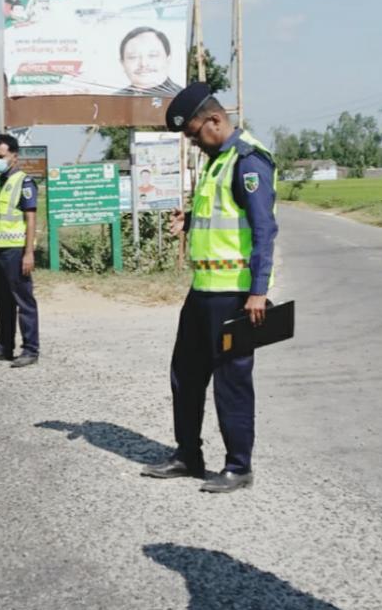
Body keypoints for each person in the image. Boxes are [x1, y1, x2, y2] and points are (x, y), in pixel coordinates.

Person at [141, 82, 278, 493]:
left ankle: (238, 466)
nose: (194, 143)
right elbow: (221, 219)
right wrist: (189, 222)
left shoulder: (248, 161)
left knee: (232, 381)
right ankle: (188, 454)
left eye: (195, 134)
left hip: (234, 294)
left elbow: (264, 230)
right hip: (203, 291)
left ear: (215, 120)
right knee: (185, 373)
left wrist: (258, 291)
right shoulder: (218, 161)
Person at [0, 133, 41, 368]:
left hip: (16, 251)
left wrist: (29, 252)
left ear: (14, 156)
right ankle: (4, 347)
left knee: (23, 301)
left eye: (1, 156)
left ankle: (30, 349)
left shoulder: (23, 182)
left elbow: (31, 219)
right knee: (1, 303)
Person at [116, 27, 182, 97]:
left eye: (152, 55)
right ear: (122, 63)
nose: (143, 64)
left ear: (168, 59)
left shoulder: (182, 97)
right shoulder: (113, 99)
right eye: (133, 57)